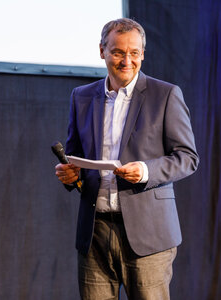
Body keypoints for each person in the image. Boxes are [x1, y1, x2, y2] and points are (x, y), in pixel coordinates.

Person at [55, 18, 199, 299]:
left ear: (143, 54)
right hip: (94, 233)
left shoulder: (166, 95)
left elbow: (187, 157)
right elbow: (76, 158)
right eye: (118, 52)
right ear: (102, 51)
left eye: (134, 53)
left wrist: (146, 170)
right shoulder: (81, 97)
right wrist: (70, 175)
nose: (127, 61)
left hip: (149, 236)